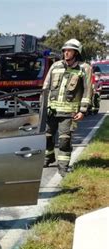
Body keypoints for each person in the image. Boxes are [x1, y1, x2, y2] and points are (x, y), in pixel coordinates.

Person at [42, 38, 92, 176]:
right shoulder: (55, 66)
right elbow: (45, 87)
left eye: (70, 51)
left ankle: (63, 167)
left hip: (69, 112)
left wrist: (83, 110)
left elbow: (88, 91)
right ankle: (48, 157)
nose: (66, 53)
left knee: (64, 140)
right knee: (46, 136)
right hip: (51, 110)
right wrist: (43, 106)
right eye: (65, 50)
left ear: (76, 53)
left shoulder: (84, 68)